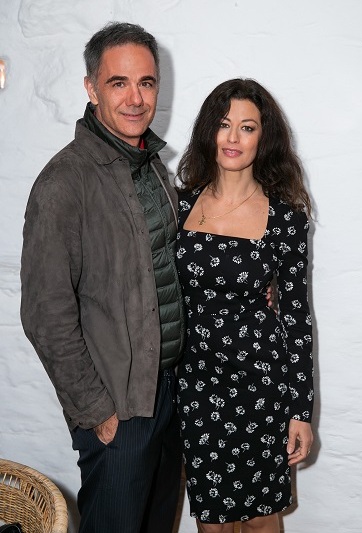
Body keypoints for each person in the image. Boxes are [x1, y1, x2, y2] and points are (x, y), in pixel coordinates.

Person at [20, 22, 185, 533]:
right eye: (119, 83)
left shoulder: (150, 165)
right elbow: (45, 314)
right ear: (92, 88)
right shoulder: (64, 182)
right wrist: (97, 412)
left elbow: (166, 264)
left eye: (146, 82)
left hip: (169, 393)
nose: (136, 99)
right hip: (119, 410)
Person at [175, 78, 314, 533]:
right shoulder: (179, 204)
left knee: (259, 519)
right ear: (208, 131)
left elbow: (296, 318)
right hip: (195, 386)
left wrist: (300, 411)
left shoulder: (286, 218)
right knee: (211, 523)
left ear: (264, 137)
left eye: (247, 127)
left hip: (260, 387)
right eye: (223, 124)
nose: (233, 137)